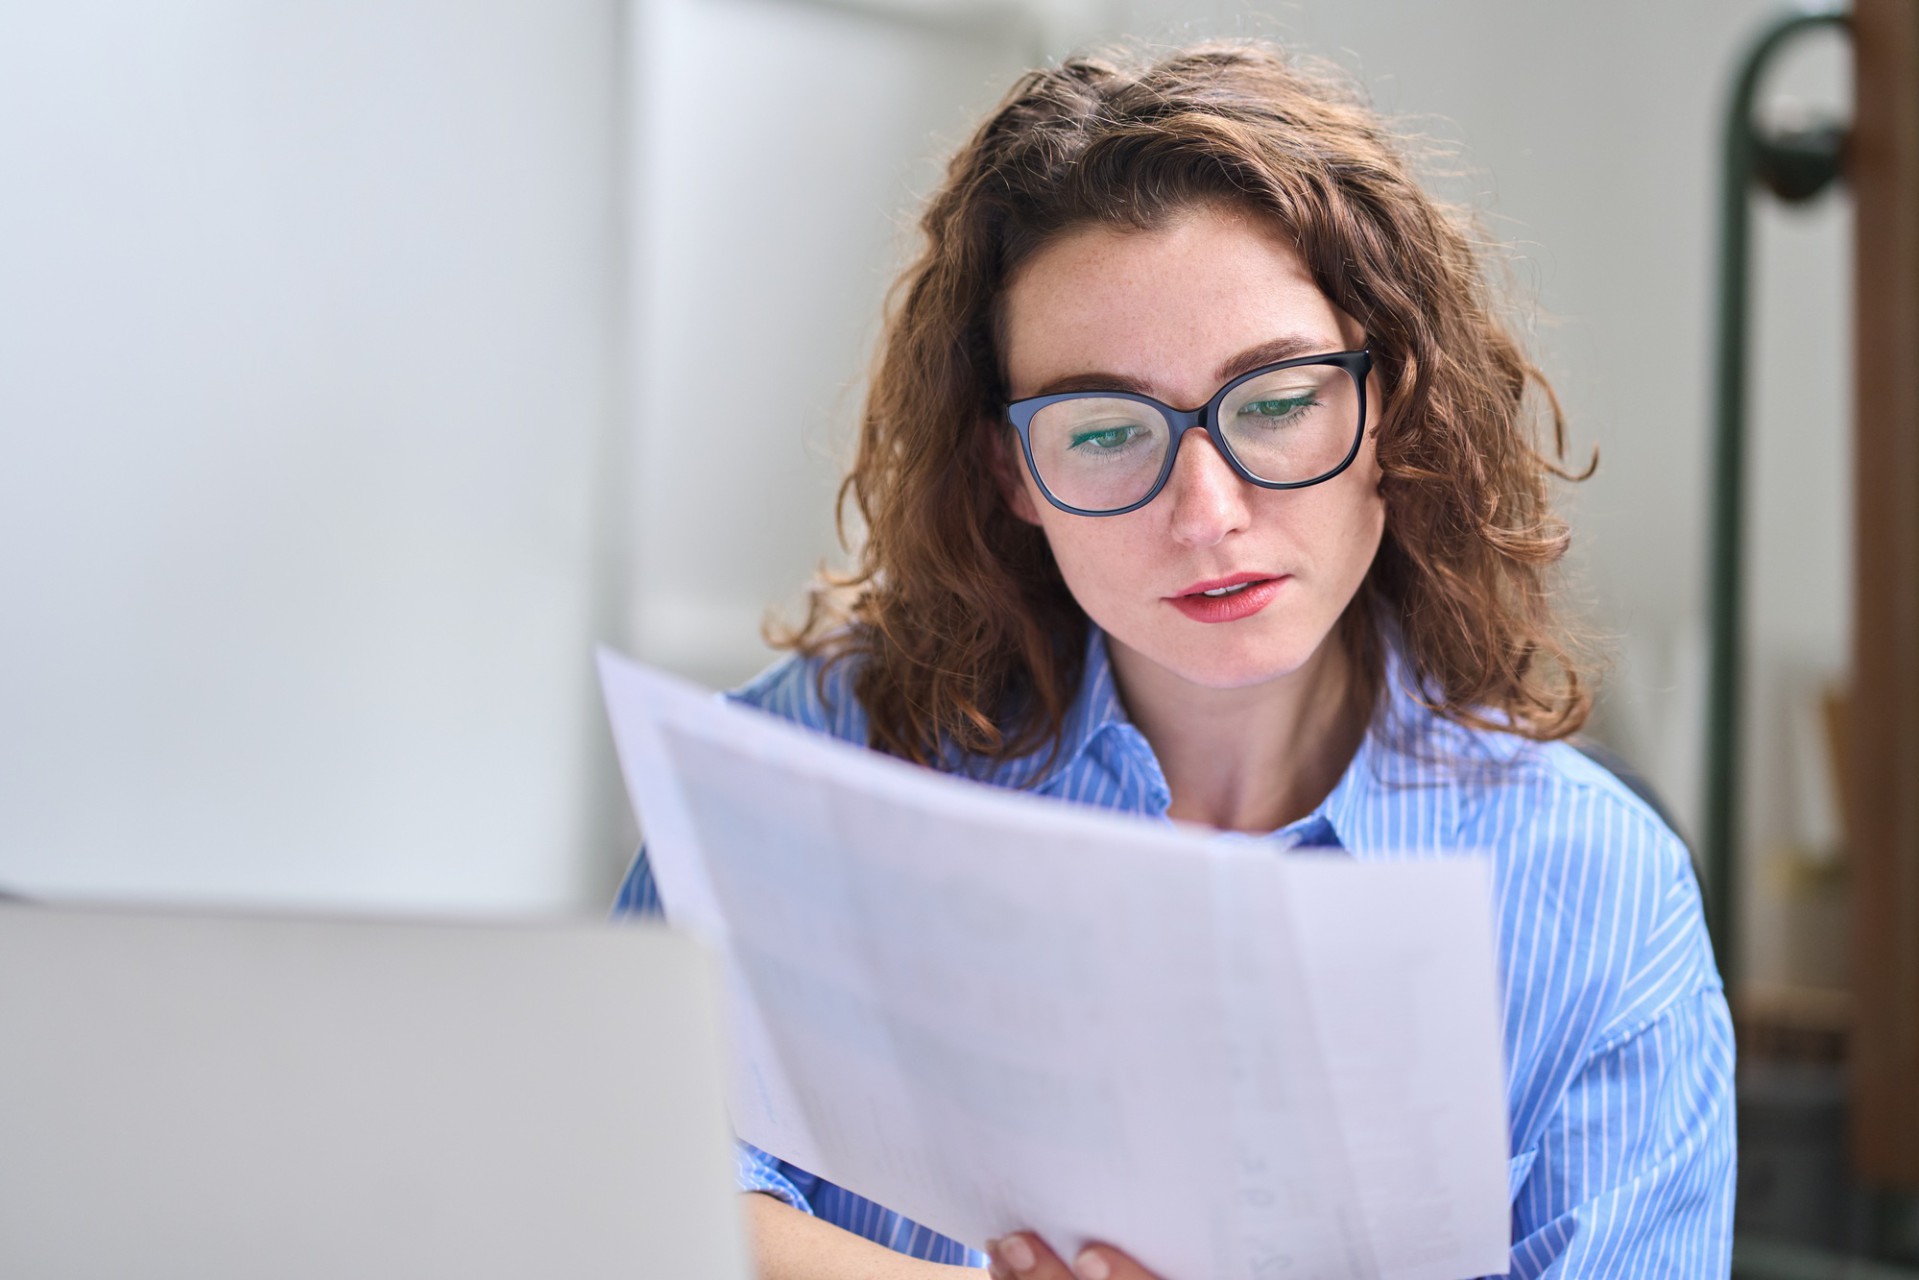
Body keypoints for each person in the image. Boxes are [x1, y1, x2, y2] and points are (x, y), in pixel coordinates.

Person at [614, 40, 1735, 1280]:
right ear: (1010, 473)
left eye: (1274, 403)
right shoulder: (809, 757)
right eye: (1102, 428)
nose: (1205, 511)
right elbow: (609, 1186)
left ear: (1393, 404)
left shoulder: (1601, 895)